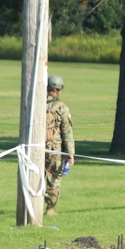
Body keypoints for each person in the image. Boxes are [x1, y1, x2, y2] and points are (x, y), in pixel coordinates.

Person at [45, 75, 75, 215]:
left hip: (36, 149)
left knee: (36, 177)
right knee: (55, 179)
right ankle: (50, 208)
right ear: (58, 90)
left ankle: (33, 207)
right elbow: (67, 132)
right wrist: (70, 153)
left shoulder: (36, 104)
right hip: (55, 151)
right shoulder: (62, 108)